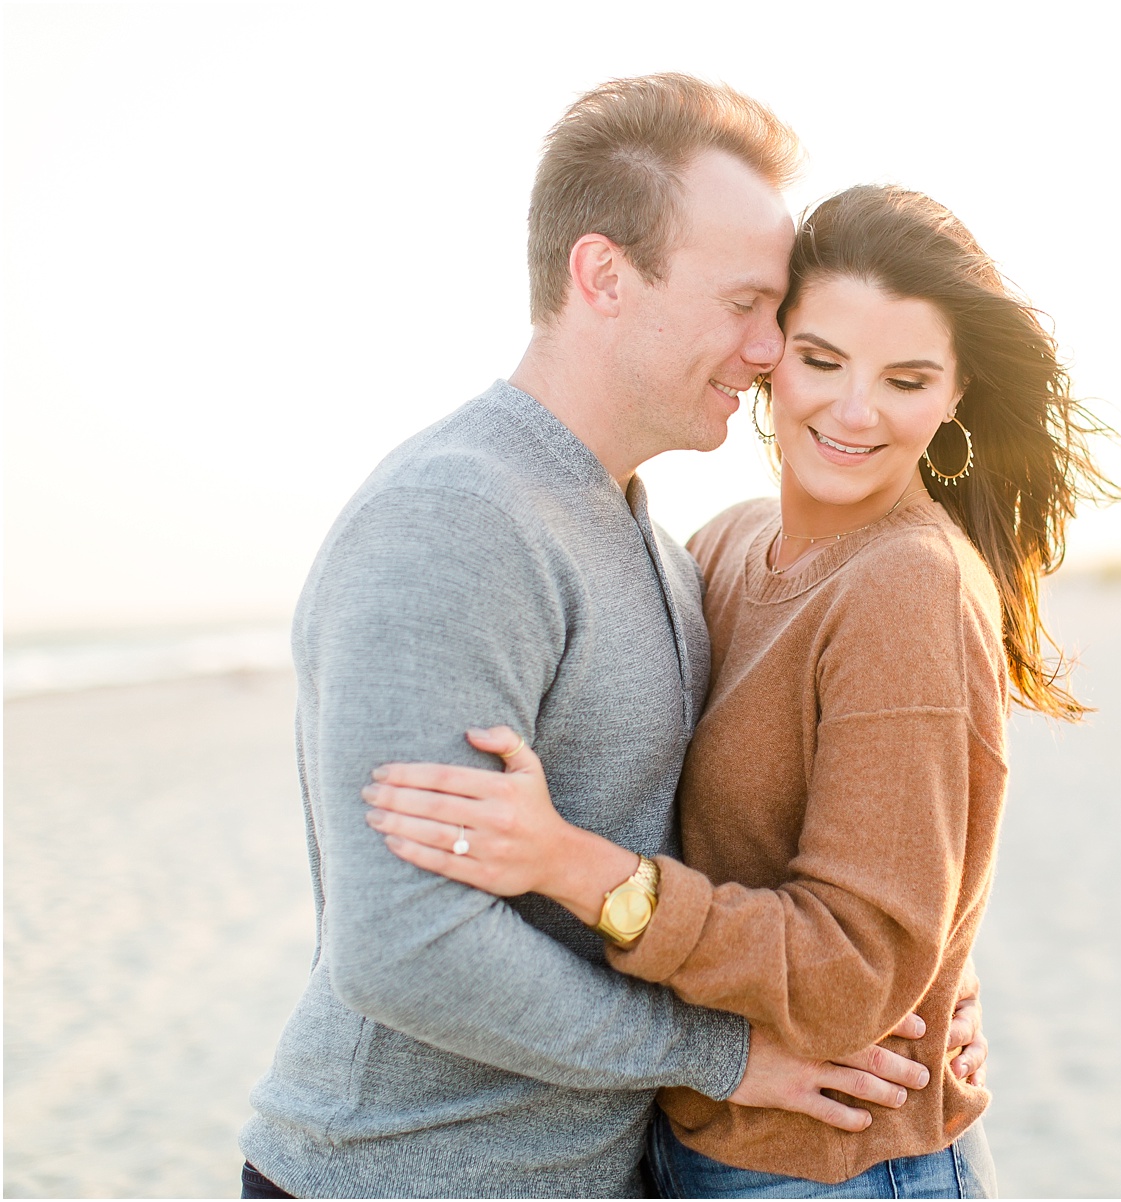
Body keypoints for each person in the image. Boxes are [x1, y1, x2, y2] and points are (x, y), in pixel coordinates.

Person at [238, 77, 983, 1200]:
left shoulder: (656, 537)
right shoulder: (458, 519)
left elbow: (776, 824)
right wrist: (723, 1053)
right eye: (744, 302)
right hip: (395, 1174)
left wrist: (924, 974)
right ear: (603, 277)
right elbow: (403, 945)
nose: (771, 347)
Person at [361, 184, 1121, 1197]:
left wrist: (570, 862)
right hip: (701, 1148)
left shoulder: (911, 582)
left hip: (839, 1166)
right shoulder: (725, 545)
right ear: (770, 354)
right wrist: (935, 965)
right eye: (821, 360)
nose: (853, 411)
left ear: (955, 394)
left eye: (905, 378)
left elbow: (854, 966)